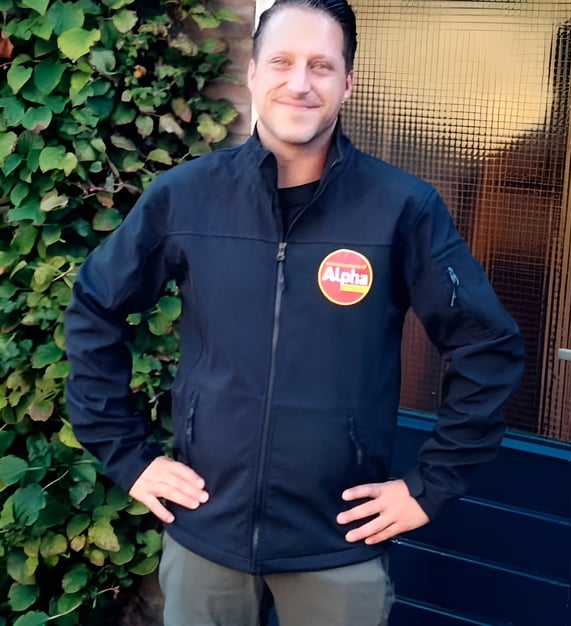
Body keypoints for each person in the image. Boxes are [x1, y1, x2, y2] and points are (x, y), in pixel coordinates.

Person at [64, 0, 524, 624]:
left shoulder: (401, 208)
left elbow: (487, 347)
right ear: (253, 74)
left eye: (321, 65)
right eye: (280, 61)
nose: (300, 82)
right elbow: (95, 307)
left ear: (347, 83)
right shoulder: (187, 197)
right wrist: (129, 456)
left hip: (336, 545)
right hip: (207, 534)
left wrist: (429, 486)